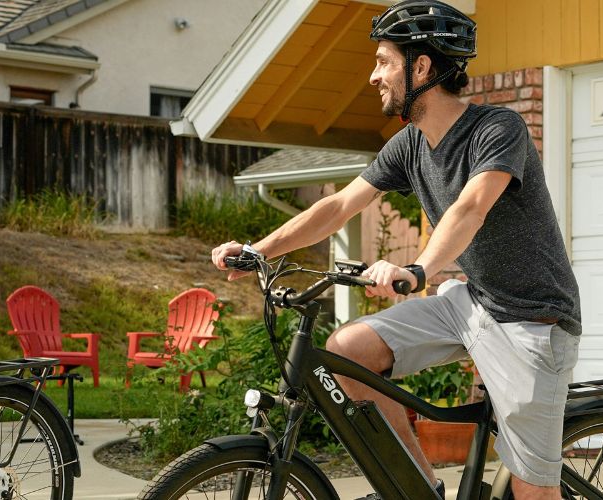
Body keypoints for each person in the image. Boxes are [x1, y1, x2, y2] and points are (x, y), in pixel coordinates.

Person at [211, 1, 580, 498]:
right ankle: (420, 486)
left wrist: (419, 269)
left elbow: (471, 207)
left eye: (384, 61)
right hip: (474, 302)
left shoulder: (497, 130)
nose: (373, 76)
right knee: (346, 351)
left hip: (533, 319)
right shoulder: (409, 145)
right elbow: (339, 205)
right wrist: (259, 250)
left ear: (421, 67)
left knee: (534, 493)